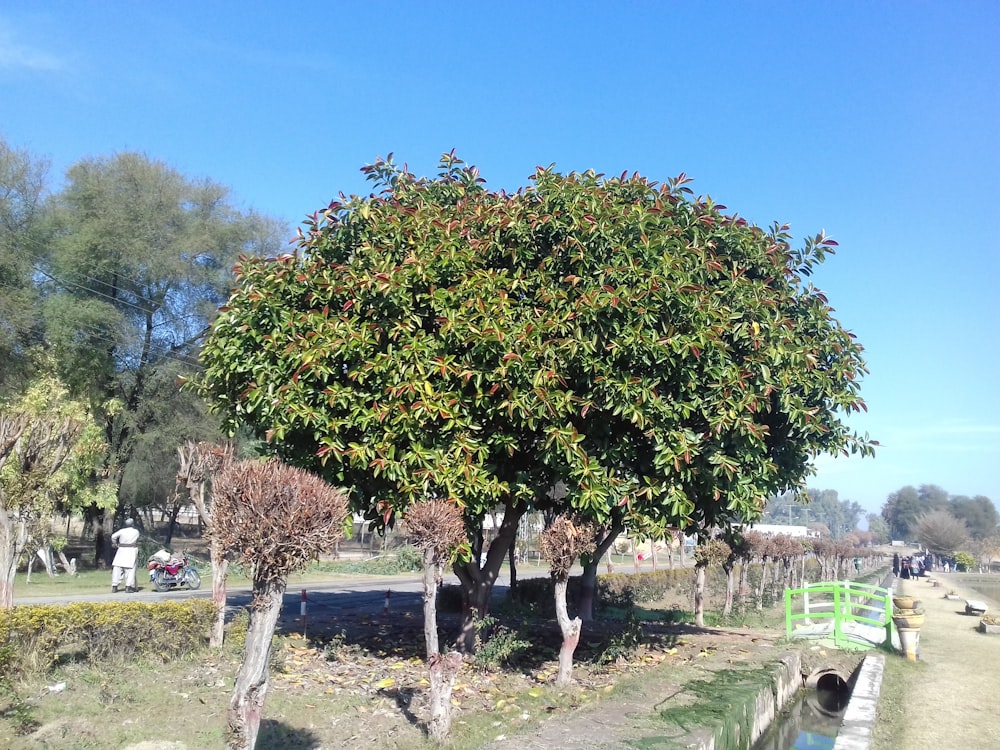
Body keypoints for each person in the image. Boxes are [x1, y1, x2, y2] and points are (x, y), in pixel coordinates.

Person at [111, 518, 141, 593]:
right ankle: (128, 586)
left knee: (117, 568)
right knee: (130, 570)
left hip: (121, 550)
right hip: (131, 551)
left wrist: (115, 543)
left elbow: (113, 536)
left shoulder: (122, 531)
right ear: (133, 524)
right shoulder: (136, 531)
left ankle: (114, 586)